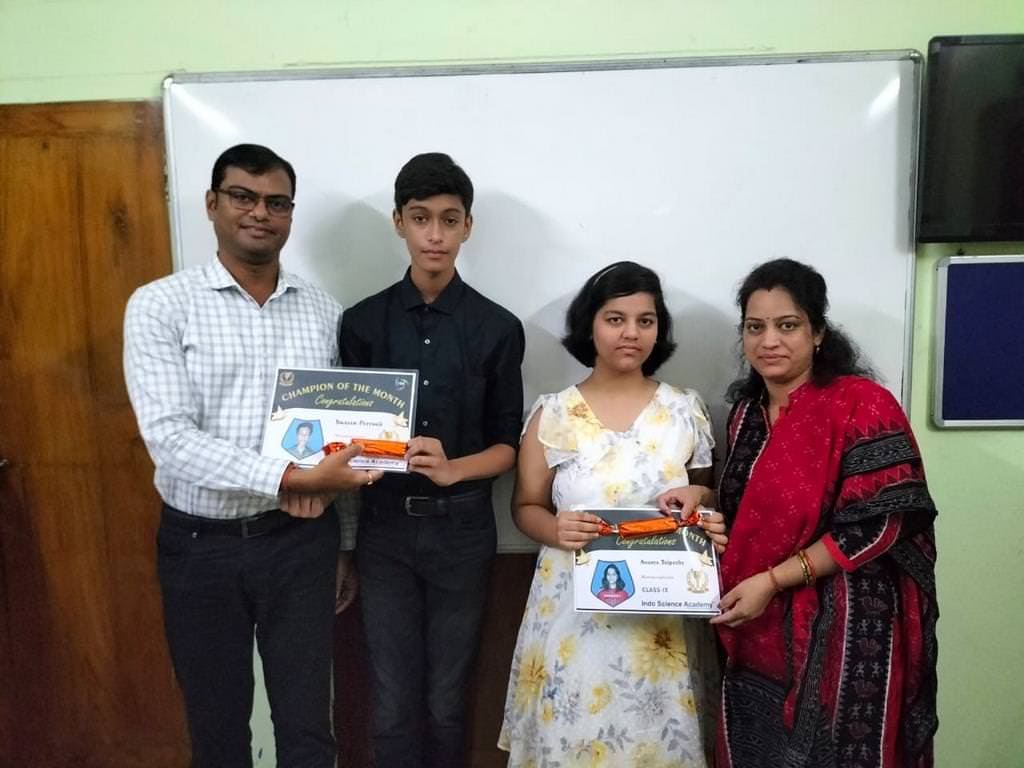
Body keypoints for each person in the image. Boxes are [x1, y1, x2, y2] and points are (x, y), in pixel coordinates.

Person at [123, 143, 382, 768]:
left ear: (290, 213)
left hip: (301, 546)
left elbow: (340, 439)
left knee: (308, 726)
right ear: (212, 203)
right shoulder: (160, 305)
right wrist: (291, 477)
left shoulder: (323, 311)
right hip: (200, 548)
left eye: (277, 203)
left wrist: (344, 544)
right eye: (243, 197)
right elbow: (169, 438)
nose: (260, 213)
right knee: (217, 727)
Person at [707, 258, 938, 767]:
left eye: (787, 325)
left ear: (817, 333)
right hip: (758, 624)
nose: (769, 341)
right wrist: (698, 500)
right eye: (755, 327)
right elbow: (747, 513)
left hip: (847, 629)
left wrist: (775, 579)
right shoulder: (745, 416)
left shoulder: (863, 405)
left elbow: (880, 520)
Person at [338, 152, 525, 768]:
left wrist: (453, 469)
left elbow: (508, 444)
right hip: (384, 529)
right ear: (399, 222)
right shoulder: (362, 323)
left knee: (447, 699)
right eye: (421, 218)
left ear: (468, 225)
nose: (435, 235)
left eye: (449, 219)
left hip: (462, 529)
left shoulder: (498, 327)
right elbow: (345, 435)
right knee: (392, 700)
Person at [499, 261, 725, 767]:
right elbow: (525, 507)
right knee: (574, 734)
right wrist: (554, 528)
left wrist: (699, 496)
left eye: (646, 320)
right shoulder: (554, 412)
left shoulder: (685, 409)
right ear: (590, 325)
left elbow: (706, 493)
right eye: (615, 319)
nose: (631, 333)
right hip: (573, 607)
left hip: (663, 617)